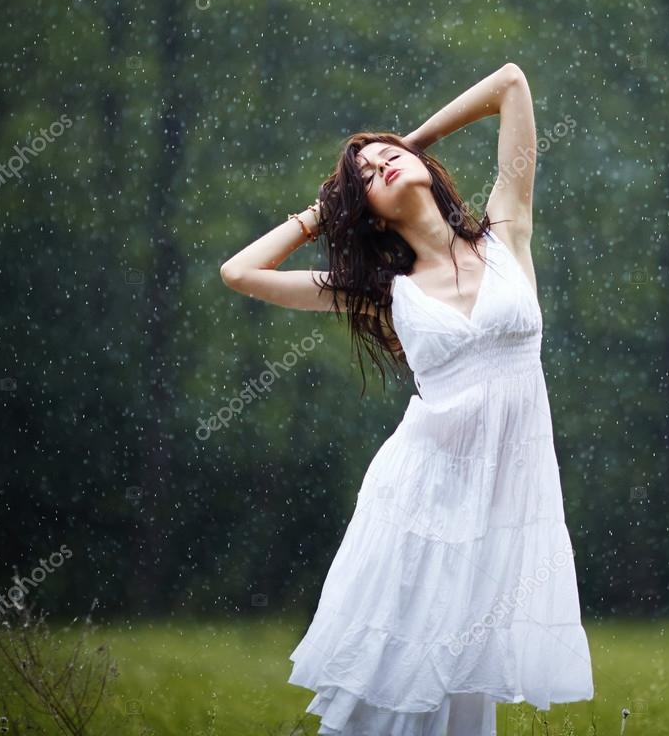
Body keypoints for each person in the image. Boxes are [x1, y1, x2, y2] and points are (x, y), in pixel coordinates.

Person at [220, 63, 594, 735]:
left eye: (386, 156)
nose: (380, 167)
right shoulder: (384, 291)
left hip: (499, 505)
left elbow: (510, 83)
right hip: (419, 503)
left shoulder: (506, 232)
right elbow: (240, 273)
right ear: (366, 214)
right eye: (364, 177)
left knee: (461, 685)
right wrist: (319, 212)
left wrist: (410, 139)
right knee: (392, 687)